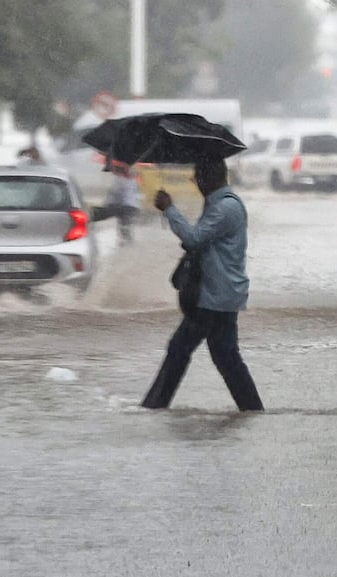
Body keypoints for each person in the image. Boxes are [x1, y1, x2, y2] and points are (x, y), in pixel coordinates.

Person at [141, 156, 264, 411]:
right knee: (225, 357)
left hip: (214, 297)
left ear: (209, 179)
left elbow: (195, 239)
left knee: (180, 349)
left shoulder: (225, 208)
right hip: (222, 295)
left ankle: (154, 406)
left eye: (196, 178)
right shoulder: (218, 205)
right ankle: (252, 410)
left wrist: (170, 209)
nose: (196, 184)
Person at [90, 160, 142, 244]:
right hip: (133, 207)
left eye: (115, 169)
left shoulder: (119, 180)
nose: (114, 170)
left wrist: (107, 204)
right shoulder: (133, 180)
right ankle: (127, 240)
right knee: (124, 222)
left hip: (123, 206)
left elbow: (115, 194)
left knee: (95, 214)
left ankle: (89, 228)